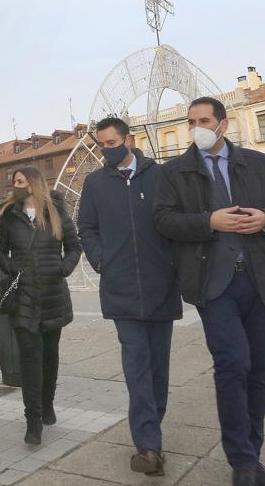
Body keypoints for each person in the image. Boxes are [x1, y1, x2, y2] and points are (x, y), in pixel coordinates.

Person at [153, 97, 265, 486]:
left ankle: (252, 455)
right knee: (233, 364)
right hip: (213, 285)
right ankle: (242, 463)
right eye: (191, 121)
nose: (196, 127)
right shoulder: (175, 171)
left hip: (259, 280)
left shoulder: (256, 162)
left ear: (223, 124)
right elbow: (164, 220)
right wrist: (208, 221)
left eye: (203, 120)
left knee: (258, 371)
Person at [77, 117, 182, 475]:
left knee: (158, 369)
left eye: (111, 143)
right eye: (102, 145)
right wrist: (100, 259)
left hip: (160, 286)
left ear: (130, 140)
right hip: (120, 288)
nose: (106, 150)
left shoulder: (160, 175)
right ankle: (148, 445)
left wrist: (173, 263)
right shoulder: (95, 184)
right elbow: (86, 228)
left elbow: (177, 220)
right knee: (136, 366)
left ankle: (153, 430)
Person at [0, 166, 83, 444]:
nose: (15, 186)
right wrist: (10, 268)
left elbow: (74, 245)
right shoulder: (9, 215)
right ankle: (33, 421)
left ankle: (48, 403)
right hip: (23, 298)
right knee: (30, 359)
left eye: (20, 181)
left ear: (33, 184)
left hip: (53, 296)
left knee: (49, 355)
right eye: (14, 181)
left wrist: (64, 267)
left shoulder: (55, 211)